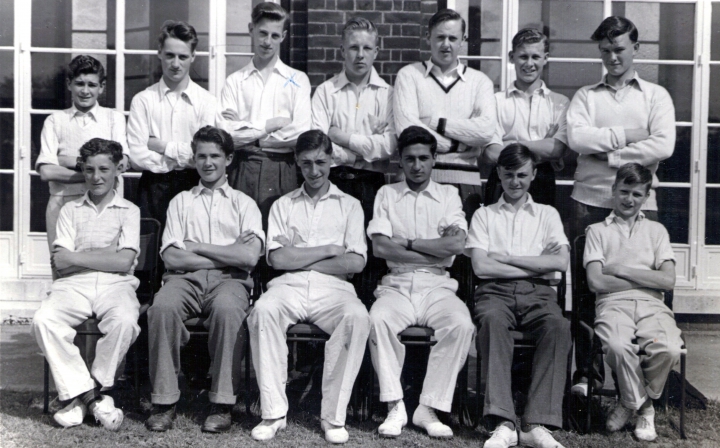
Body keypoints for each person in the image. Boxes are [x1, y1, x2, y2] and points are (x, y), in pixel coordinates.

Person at [566, 16, 676, 396]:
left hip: (642, 203)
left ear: (636, 49)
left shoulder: (655, 96)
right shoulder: (586, 96)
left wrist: (608, 155)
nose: (612, 57)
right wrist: (631, 139)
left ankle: (649, 379)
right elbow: (577, 139)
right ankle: (588, 376)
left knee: (647, 284)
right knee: (587, 290)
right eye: (606, 50)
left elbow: (663, 146)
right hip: (589, 202)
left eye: (619, 49)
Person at [248, 130, 370, 444]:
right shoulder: (283, 205)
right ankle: (273, 413)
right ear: (296, 164)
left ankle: (333, 417)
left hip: (335, 290)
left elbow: (356, 264)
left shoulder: (350, 206)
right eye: (306, 164)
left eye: (320, 162)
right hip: (287, 285)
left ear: (332, 159)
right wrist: (329, 249)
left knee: (357, 317)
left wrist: (298, 257)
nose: (314, 171)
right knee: (262, 310)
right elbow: (276, 260)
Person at [144, 126, 263, 433]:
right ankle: (164, 401)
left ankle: (222, 404)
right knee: (161, 308)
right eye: (201, 156)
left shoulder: (244, 204)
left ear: (229, 159)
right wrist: (228, 251)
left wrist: (197, 246)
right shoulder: (181, 202)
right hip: (183, 280)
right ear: (194, 159)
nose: (208, 163)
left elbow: (249, 259)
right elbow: (172, 258)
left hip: (230, 282)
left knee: (228, 311)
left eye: (215, 156)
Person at [367, 126, 474, 439]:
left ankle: (428, 407)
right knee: (377, 319)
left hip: (438, 285)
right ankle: (395, 405)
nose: (417, 165)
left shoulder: (448, 195)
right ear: (400, 160)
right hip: (396, 284)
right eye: (410, 158)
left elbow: (455, 246)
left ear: (434, 159)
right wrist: (433, 249)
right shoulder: (387, 194)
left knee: (461, 325)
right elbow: (381, 248)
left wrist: (409, 243)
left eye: (423, 158)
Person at [33, 138, 140, 431]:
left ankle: (81, 397)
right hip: (73, 285)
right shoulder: (69, 210)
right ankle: (95, 399)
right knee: (44, 320)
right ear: (82, 169)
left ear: (118, 169)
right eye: (89, 169)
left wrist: (79, 256)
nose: (97, 177)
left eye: (104, 169)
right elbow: (61, 263)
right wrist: (107, 255)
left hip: (115, 285)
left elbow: (123, 263)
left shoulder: (129, 210)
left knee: (126, 320)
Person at [467, 144, 571, 448]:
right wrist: (534, 263)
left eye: (522, 175)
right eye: (509, 174)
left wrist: (507, 257)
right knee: (493, 324)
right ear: (498, 173)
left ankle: (535, 423)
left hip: (539, 294)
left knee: (558, 326)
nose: (515, 182)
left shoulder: (547, 215)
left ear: (534, 174)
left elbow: (559, 262)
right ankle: (503, 422)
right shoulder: (484, 216)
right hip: (493, 293)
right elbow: (482, 267)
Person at [584, 163, 683, 442]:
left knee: (669, 348)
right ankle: (645, 407)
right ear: (613, 191)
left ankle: (628, 401)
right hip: (613, 303)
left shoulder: (657, 231)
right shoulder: (596, 231)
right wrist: (647, 277)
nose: (629, 199)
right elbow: (597, 283)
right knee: (616, 345)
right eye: (624, 191)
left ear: (646, 196)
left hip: (653, 305)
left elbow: (667, 281)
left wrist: (622, 270)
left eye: (637, 194)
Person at [311, 16, 397, 303]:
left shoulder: (388, 95)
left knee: (369, 257)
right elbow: (320, 143)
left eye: (366, 48)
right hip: (333, 183)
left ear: (376, 51)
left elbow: (388, 147)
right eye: (353, 47)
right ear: (342, 50)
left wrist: (344, 138)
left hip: (372, 186)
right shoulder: (325, 92)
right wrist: (362, 153)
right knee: (334, 251)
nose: (360, 55)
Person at [393, 8, 496, 217]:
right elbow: (407, 132)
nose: (446, 44)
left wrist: (433, 123)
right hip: (418, 181)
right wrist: (458, 143)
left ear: (463, 40)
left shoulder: (480, 81)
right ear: (428, 37)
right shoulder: (409, 75)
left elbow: (485, 131)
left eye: (452, 37)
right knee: (417, 244)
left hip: (466, 182)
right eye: (440, 37)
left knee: (461, 247)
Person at [218, 1, 311, 228]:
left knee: (280, 234)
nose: (267, 42)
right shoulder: (235, 82)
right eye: (262, 33)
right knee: (243, 233)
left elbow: (300, 133)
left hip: (284, 169)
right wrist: (269, 126)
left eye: (274, 35)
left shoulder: (297, 80)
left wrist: (249, 132)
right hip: (243, 167)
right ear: (251, 29)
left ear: (284, 36)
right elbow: (226, 135)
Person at [36, 55, 130, 277]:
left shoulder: (113, 119)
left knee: (105, 271)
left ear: (101, 87)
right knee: (63, 270)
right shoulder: (55, 121)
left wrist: (67, 160)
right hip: (62, 203)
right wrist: (98, 171)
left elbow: (122, 164)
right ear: (69, 84)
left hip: (105, 207)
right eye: (79, 83)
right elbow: (46, 171)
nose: (85, 90)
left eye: (91, 84)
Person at [127, 20, 217, 228]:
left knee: (189, 252)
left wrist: (162, 146)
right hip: (152, 188)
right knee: (151, 255)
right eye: (170, 55)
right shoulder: (143, 100)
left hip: (194, 185)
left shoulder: (207, 102)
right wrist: (180, 159)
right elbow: (137, 156)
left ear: (193, 57)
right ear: (159, 53)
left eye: (183, 56)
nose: (175, 64)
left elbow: (205, 154)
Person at [483, 28, 569, 206]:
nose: (529, 64)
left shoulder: (559, 103)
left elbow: (557, 150)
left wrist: (509, 145)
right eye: (523, 56)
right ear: (511, 57)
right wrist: (540, 147)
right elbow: (491, 153)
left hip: (542, 182)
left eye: (535, 57)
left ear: (545, 58)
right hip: (502, 181)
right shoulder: (495, 101)